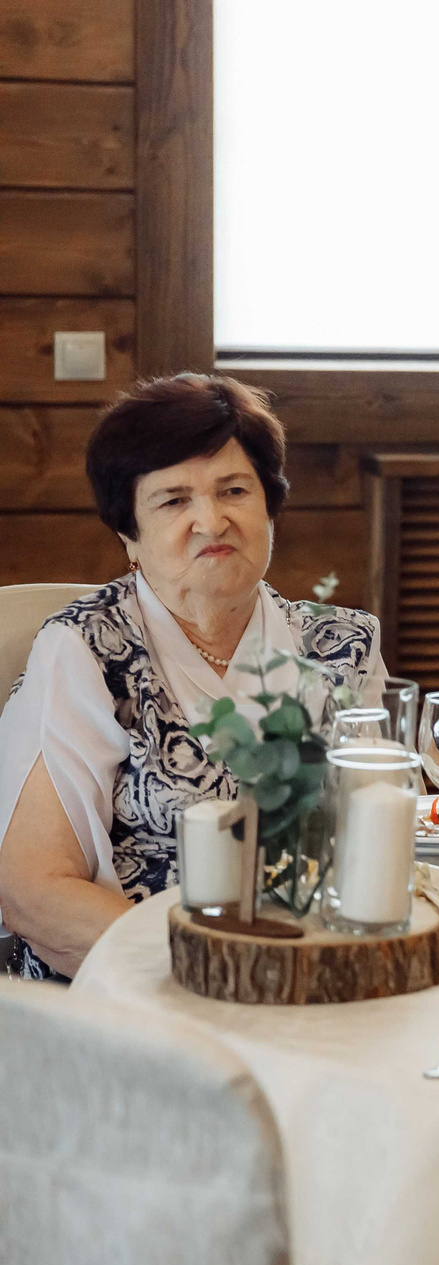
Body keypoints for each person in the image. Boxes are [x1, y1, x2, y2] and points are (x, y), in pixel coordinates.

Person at [0, 374, 383, 980]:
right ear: (130, 531)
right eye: (174, 500)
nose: (212, 520)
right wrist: (225, 969)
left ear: (269, 505)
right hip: (138, 998)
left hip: (316, 974)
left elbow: (381, 844)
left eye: (234, 490)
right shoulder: (84, 651)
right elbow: (34, 891)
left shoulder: (342, 648)